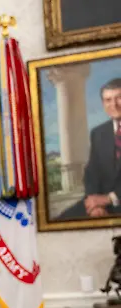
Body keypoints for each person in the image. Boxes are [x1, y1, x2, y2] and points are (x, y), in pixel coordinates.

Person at [59, 78, 121, 219]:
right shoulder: (98, 133)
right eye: (108, 100)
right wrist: (94, 203)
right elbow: (92, 171)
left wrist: (110, 198)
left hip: (114, 200)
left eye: (119, 98)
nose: (114, 105)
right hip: (101, 202)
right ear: (103, 104)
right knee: (62, 220)